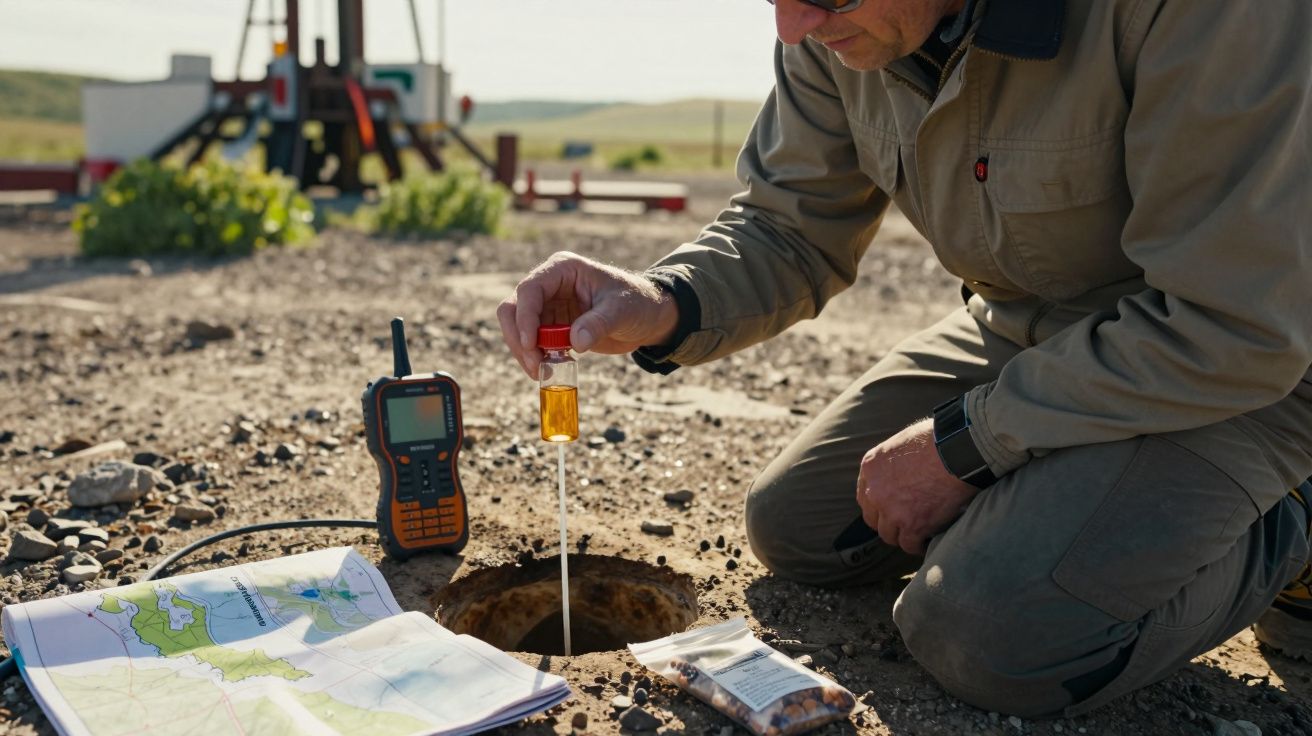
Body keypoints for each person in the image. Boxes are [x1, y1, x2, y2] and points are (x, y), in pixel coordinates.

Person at [497, 0, 1312, 718]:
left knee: (988, 632)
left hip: (1235, 362)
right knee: (801, 526)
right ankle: (1068, 507)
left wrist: (968, 442)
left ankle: (1288, 518)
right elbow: (790, 224)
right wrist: (660, 300)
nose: (793, 26)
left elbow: (1229, 322)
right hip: (1031, 331)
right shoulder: (827, 23)